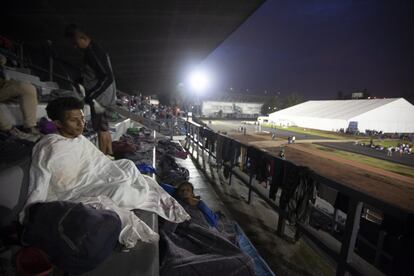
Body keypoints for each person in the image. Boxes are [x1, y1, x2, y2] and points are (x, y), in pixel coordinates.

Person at [22, 97, 190, 247]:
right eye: (74, 120)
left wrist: (109, 169)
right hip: (75, 190)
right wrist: (32, 210)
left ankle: (127, 186)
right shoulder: (48, 147)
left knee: (128, 165)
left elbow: (98, 162)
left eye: (82, 118)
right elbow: (40, 180)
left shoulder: (79, 139)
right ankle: (128, 192)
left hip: (95, 178)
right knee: (122, 188)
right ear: (57, 123)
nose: (82, 124)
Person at [64, 24, 116, 156]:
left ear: (84, 38)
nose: (75, 47)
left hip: (100, 99)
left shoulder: (93, 52)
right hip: (102, 97)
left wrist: (92, 95)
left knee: (101, 130)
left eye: (76, 43)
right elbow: (96, 75)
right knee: (104, 128)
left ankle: (104, 158)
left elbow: (107, 77)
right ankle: (109, 155)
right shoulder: (93, 51)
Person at [0, 54, 40, 142]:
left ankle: (30, 127)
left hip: (2, 85)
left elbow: (2, 60)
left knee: (28, 88)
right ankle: (9, 131)